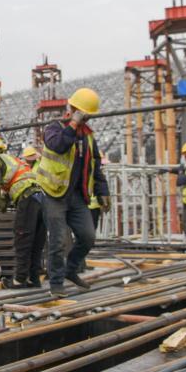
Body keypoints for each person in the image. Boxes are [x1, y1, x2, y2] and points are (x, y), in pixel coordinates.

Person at [37, 87, 110, 297]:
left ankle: (71, 270)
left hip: (77, 196)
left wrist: (102, 191)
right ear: (74, 110)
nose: (86, 119)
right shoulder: (54, 128)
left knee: (88, 237)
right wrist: (73, 125)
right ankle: (56, 283)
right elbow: (58, 145)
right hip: (54, 194)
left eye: (88, 116)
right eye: (84, 114)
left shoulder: (88, 137)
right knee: (58, 241)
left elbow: (95, 166)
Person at [0, 136, 46, 288]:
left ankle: (19, 279)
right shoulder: (14, 161)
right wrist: (0, 207)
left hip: (27, 199)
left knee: (22, 239)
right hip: (41, 199)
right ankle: (33, 278)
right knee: (36, 242)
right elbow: (9, 192)